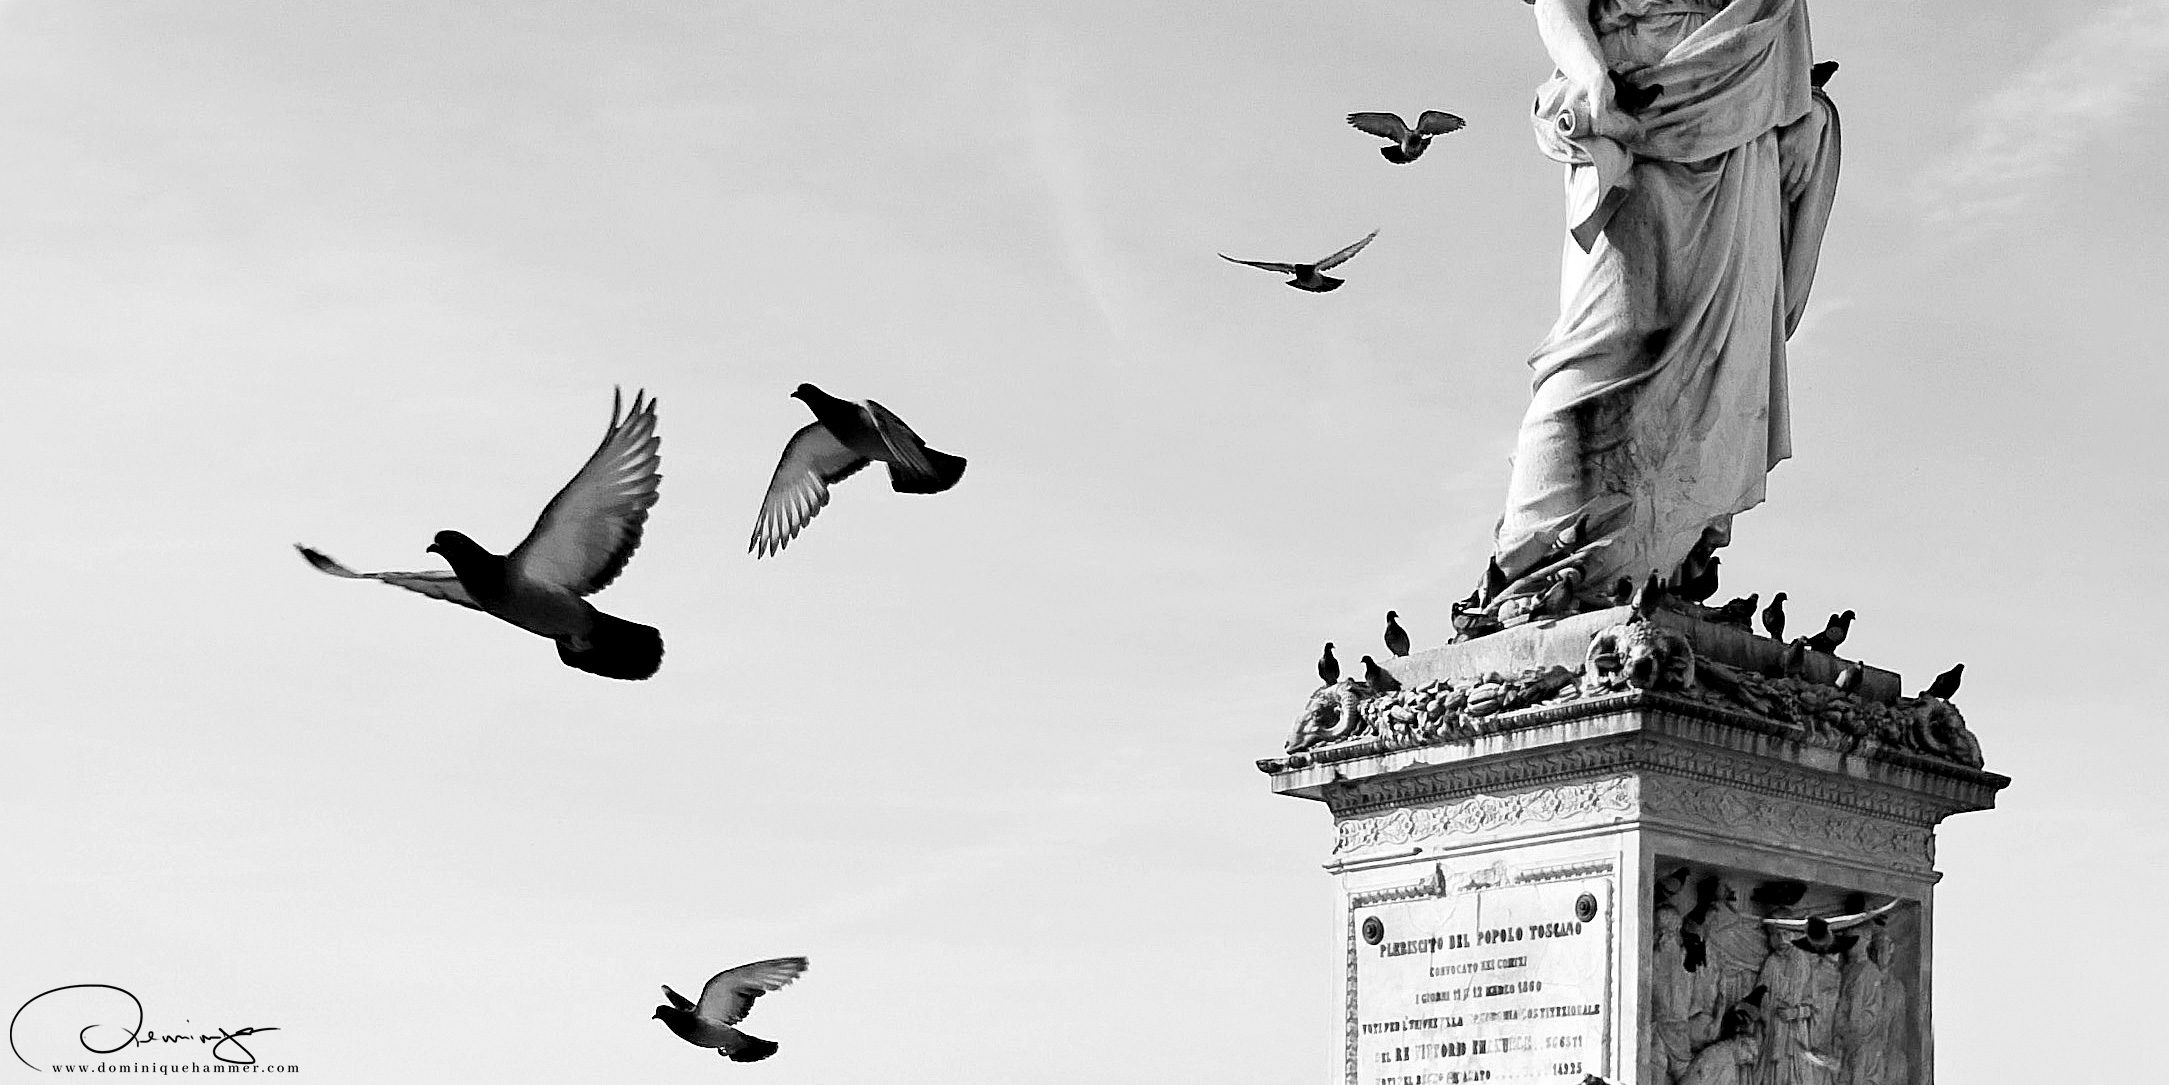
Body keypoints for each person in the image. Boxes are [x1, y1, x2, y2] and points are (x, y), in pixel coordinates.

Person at [1486, 0, 1840, 604]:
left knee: (1716, 373)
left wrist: (1805, 109)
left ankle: (1664, 567)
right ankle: (1537, 557)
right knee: (1607, 345)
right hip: (1632, 107)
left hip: (1740, 114)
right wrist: (1592, 74)